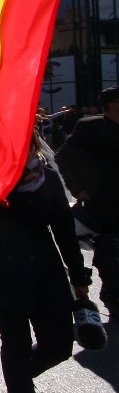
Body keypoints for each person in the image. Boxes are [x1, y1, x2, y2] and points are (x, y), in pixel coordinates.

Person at [0, 129, 91, 393]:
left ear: (34, 143)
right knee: (16, 343)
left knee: (59, 345)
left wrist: (79, 278)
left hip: (45, 272)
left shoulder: (47, 178)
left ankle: (20, 381)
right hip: (0, 272)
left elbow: (64, 230)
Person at [56, 85, 119, 317]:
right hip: (103, 199)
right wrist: (77, 189)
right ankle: (113, 294)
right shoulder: (91, 127)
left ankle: (111, 292)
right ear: (112, 104)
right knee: (109, 249)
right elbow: (63, 157)